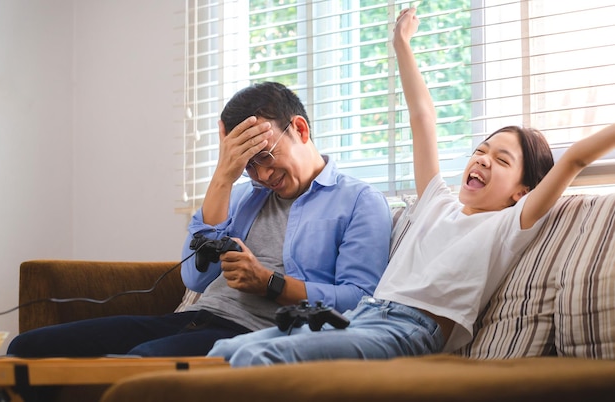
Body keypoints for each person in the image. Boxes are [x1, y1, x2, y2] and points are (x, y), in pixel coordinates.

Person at [206, 7, 615, 367]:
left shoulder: (510, 225)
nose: (483, 159)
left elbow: (576, 158)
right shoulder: (437, 201)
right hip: (361, 317)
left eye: (502, 160)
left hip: (408, 330)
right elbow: (423, 117)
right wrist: (401, 43)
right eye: (481, 150)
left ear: (521, 192)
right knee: (225, 352)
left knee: (261, 357)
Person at [7, 81, 392, 358]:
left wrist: (271, 284)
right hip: (194, 318)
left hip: (257, 334)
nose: (260, 176)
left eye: (264, 157)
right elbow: (195, 278)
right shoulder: (241, 197)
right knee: (28, 347)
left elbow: (360, 300)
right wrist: (224, 176)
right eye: (246, 166)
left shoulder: (358, 201)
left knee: (141, 362)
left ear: (301, 130)